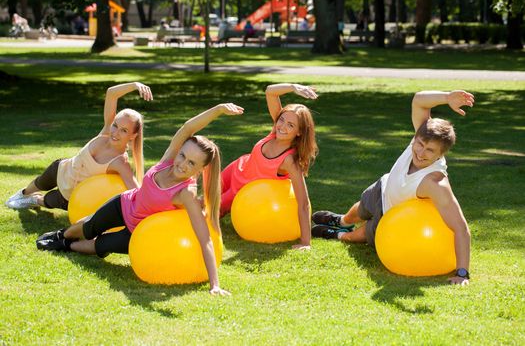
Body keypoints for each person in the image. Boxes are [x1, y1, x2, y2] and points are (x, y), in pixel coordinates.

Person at [36, 103, 244, 295]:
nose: (182, 164)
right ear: (178, 151)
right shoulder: (168, 161)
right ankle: (61, 235)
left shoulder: (185, 194)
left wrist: (214, 284)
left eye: (191, 163)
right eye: (182, 156)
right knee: (89, 225)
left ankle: (66, 245)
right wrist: (218, 110)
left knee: (101, 245)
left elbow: (204, 238)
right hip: (125, 203)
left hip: (139, 230)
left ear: (200, 170)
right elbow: (188, 128)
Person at [311, 90, 475, 285]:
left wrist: (462, 273)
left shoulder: (435, 183)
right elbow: (419, 100)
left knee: (360, 235)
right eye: (420, 144)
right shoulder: (420, 134)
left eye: (429, 150)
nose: (421, 153)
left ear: (440, 155)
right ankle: (342, 220)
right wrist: (447, 98)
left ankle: (340, 234)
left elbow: (460, 227)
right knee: (359, 209)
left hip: (393, 217)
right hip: (383, 187)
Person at [6, 82, 151, 211]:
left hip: (70, 197)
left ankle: (34, 200)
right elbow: (111, 94)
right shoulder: (107, 131)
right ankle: (23, 194)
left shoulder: (120, 163)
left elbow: (137, 192)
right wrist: (134, 85)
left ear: (132, 136)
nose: (115, 133)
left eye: (124, 130)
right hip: (61, 170)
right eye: (115, 125)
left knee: (46, 200)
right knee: (39, 183)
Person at [221, 84, 318, 250]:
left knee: (208, 211)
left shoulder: (290, 161)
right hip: (236, 168)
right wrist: (294, 87)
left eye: (291, 125)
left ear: (299, 132)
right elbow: (270, 92)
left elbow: (303, 203)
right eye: (282, 120)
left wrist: (305, 242)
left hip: (243, 191)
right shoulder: (276, 129)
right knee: (203, 195)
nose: (282, 127)